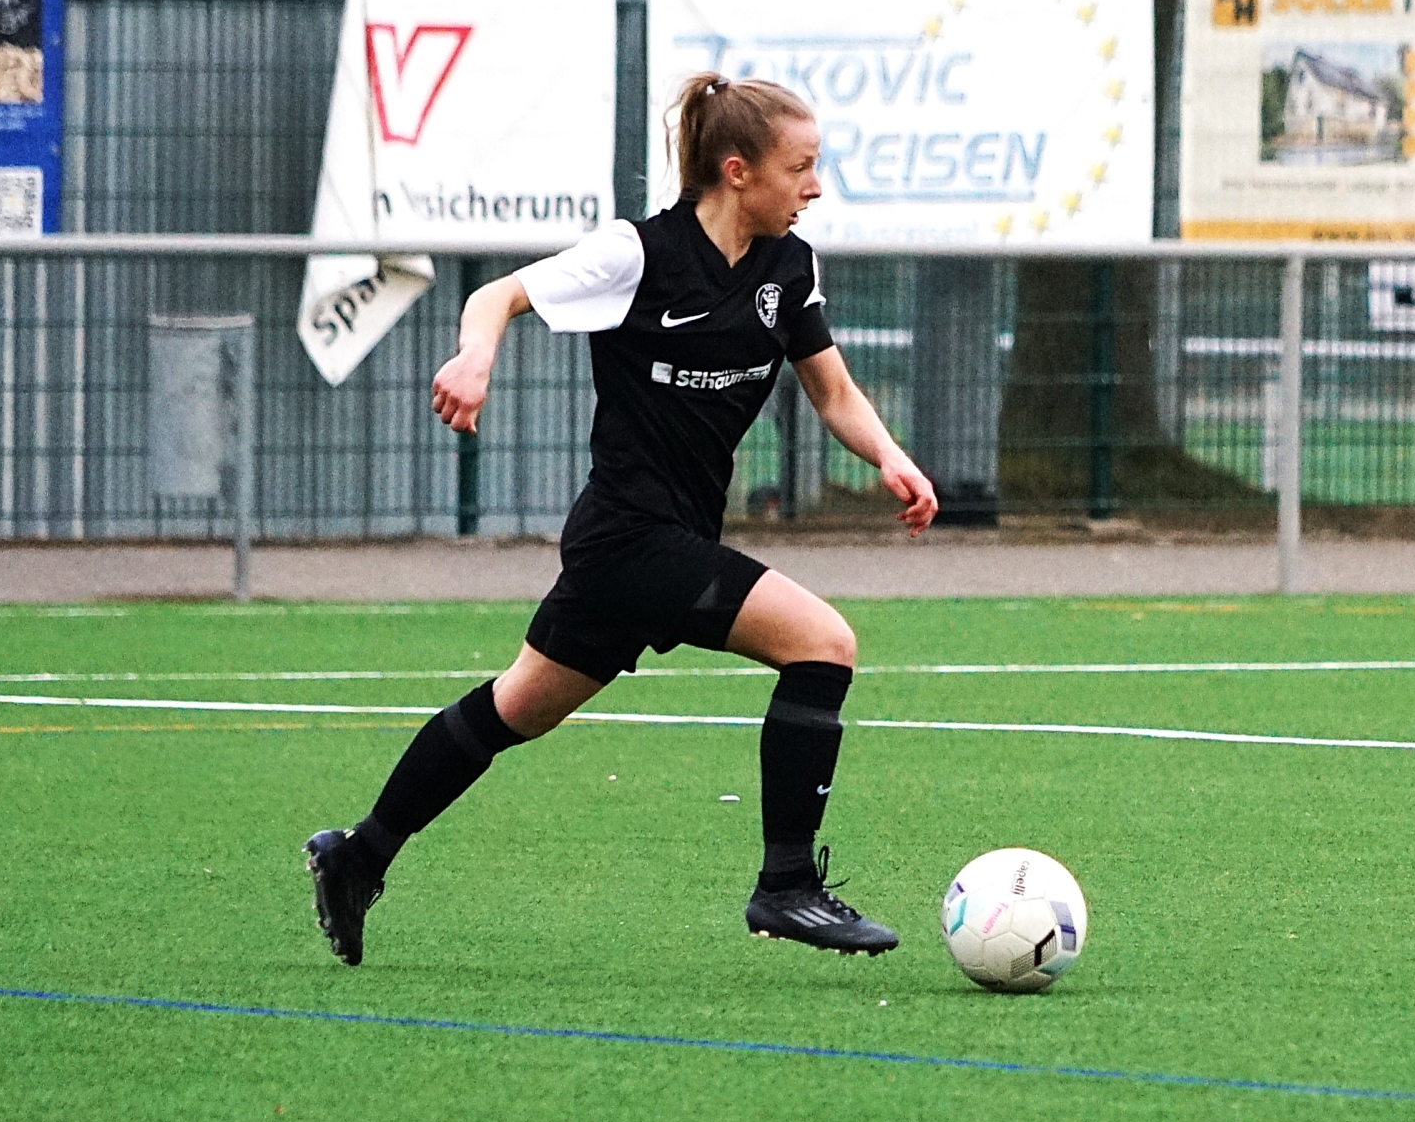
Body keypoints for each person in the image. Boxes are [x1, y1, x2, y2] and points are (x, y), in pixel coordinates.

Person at [304, 72, 939, 966]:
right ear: (737, 171)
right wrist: (474, 360)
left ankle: (357, 855)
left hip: (662, 541)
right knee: (823, 644)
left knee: (514, 708)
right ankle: (787, 887)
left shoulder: (789, 267)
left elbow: (830, 390)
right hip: (629, 537)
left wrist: (890, 457)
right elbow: (495, 297)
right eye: (800, 168)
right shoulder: (637, 254)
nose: (815, 186)